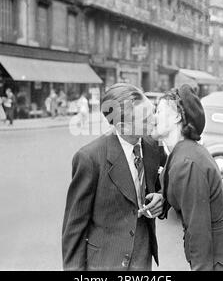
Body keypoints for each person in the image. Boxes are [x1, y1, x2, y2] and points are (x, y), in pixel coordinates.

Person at [62, 83, 166, 271]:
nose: (155, 120)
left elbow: (163, 184)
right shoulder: (90, 159)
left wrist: (162, 197)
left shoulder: (153, 146)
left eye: (153, 111)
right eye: (145, 119)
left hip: (142, 259)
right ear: (123, 126)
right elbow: (74, 227)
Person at [150, 84, 223, 271]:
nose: (153, 117)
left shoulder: (187, 163)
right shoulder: (184, 151)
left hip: (218, 265)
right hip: (222, 261)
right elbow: (176, 184)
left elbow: (199, 233)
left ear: (177, 117)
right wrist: (162, 197)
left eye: (159, 111)